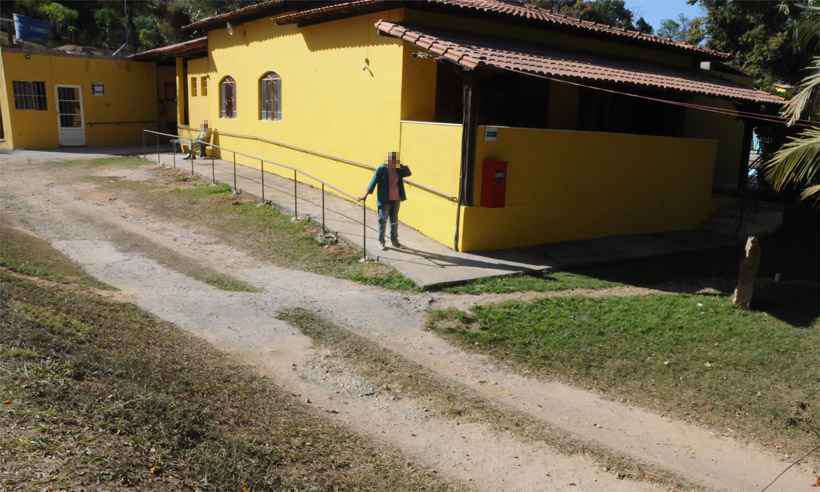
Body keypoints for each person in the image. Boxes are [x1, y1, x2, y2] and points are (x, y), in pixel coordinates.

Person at [359, 151, 412, 250]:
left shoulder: (398, 170)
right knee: (382, 220)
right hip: (384, 200)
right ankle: (381, 241)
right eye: (391, 159)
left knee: (394, 221)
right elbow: (373, 182)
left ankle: (394, 241)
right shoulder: (381, 169)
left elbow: (408, 173)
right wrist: (365, 195)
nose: (392, 161)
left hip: (396, 199)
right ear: (387, 159)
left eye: (395, 160)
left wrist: (400, 165)